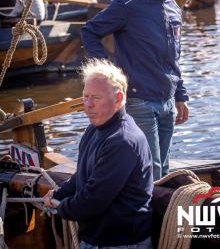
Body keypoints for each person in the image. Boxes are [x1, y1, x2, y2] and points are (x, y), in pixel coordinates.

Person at [81, 0, 189, 181]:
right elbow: (89, 32)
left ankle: (161, 215)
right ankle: (147, 216)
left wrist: (180, 94)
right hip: (139, 100)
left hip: (168, 100)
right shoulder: (128, 4)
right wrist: (111, 73)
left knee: (165, 168)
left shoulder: (173, 7)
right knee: (153, 169)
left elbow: (174, 56)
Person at [43, 59, 153, 249]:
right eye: (85, 97)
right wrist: (59, 193)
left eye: (96, 97)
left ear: (118, 99)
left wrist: (60, 207)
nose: (88, 105)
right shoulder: (94, 129)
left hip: (121, 243)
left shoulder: (122, 141)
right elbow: (83, 176)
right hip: (97, 239)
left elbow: (92, 201)